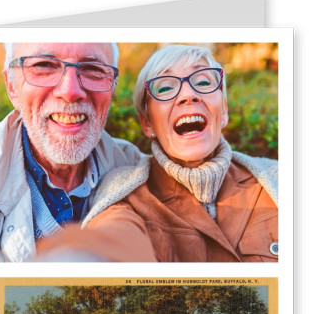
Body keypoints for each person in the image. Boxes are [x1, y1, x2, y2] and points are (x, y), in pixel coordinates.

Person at [36, 44, 278, 262]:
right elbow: (114, 237)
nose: (188, 95)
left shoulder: (277, 179)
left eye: (203, 82)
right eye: (165, 87)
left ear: (223, 110)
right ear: (147, 123)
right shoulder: (126, 195)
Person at [0, 42, 148, 262]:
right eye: (44, 65)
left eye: (93, 69)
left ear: (112, 87)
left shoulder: (136, 170)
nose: (70, 92)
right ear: (11, 86)